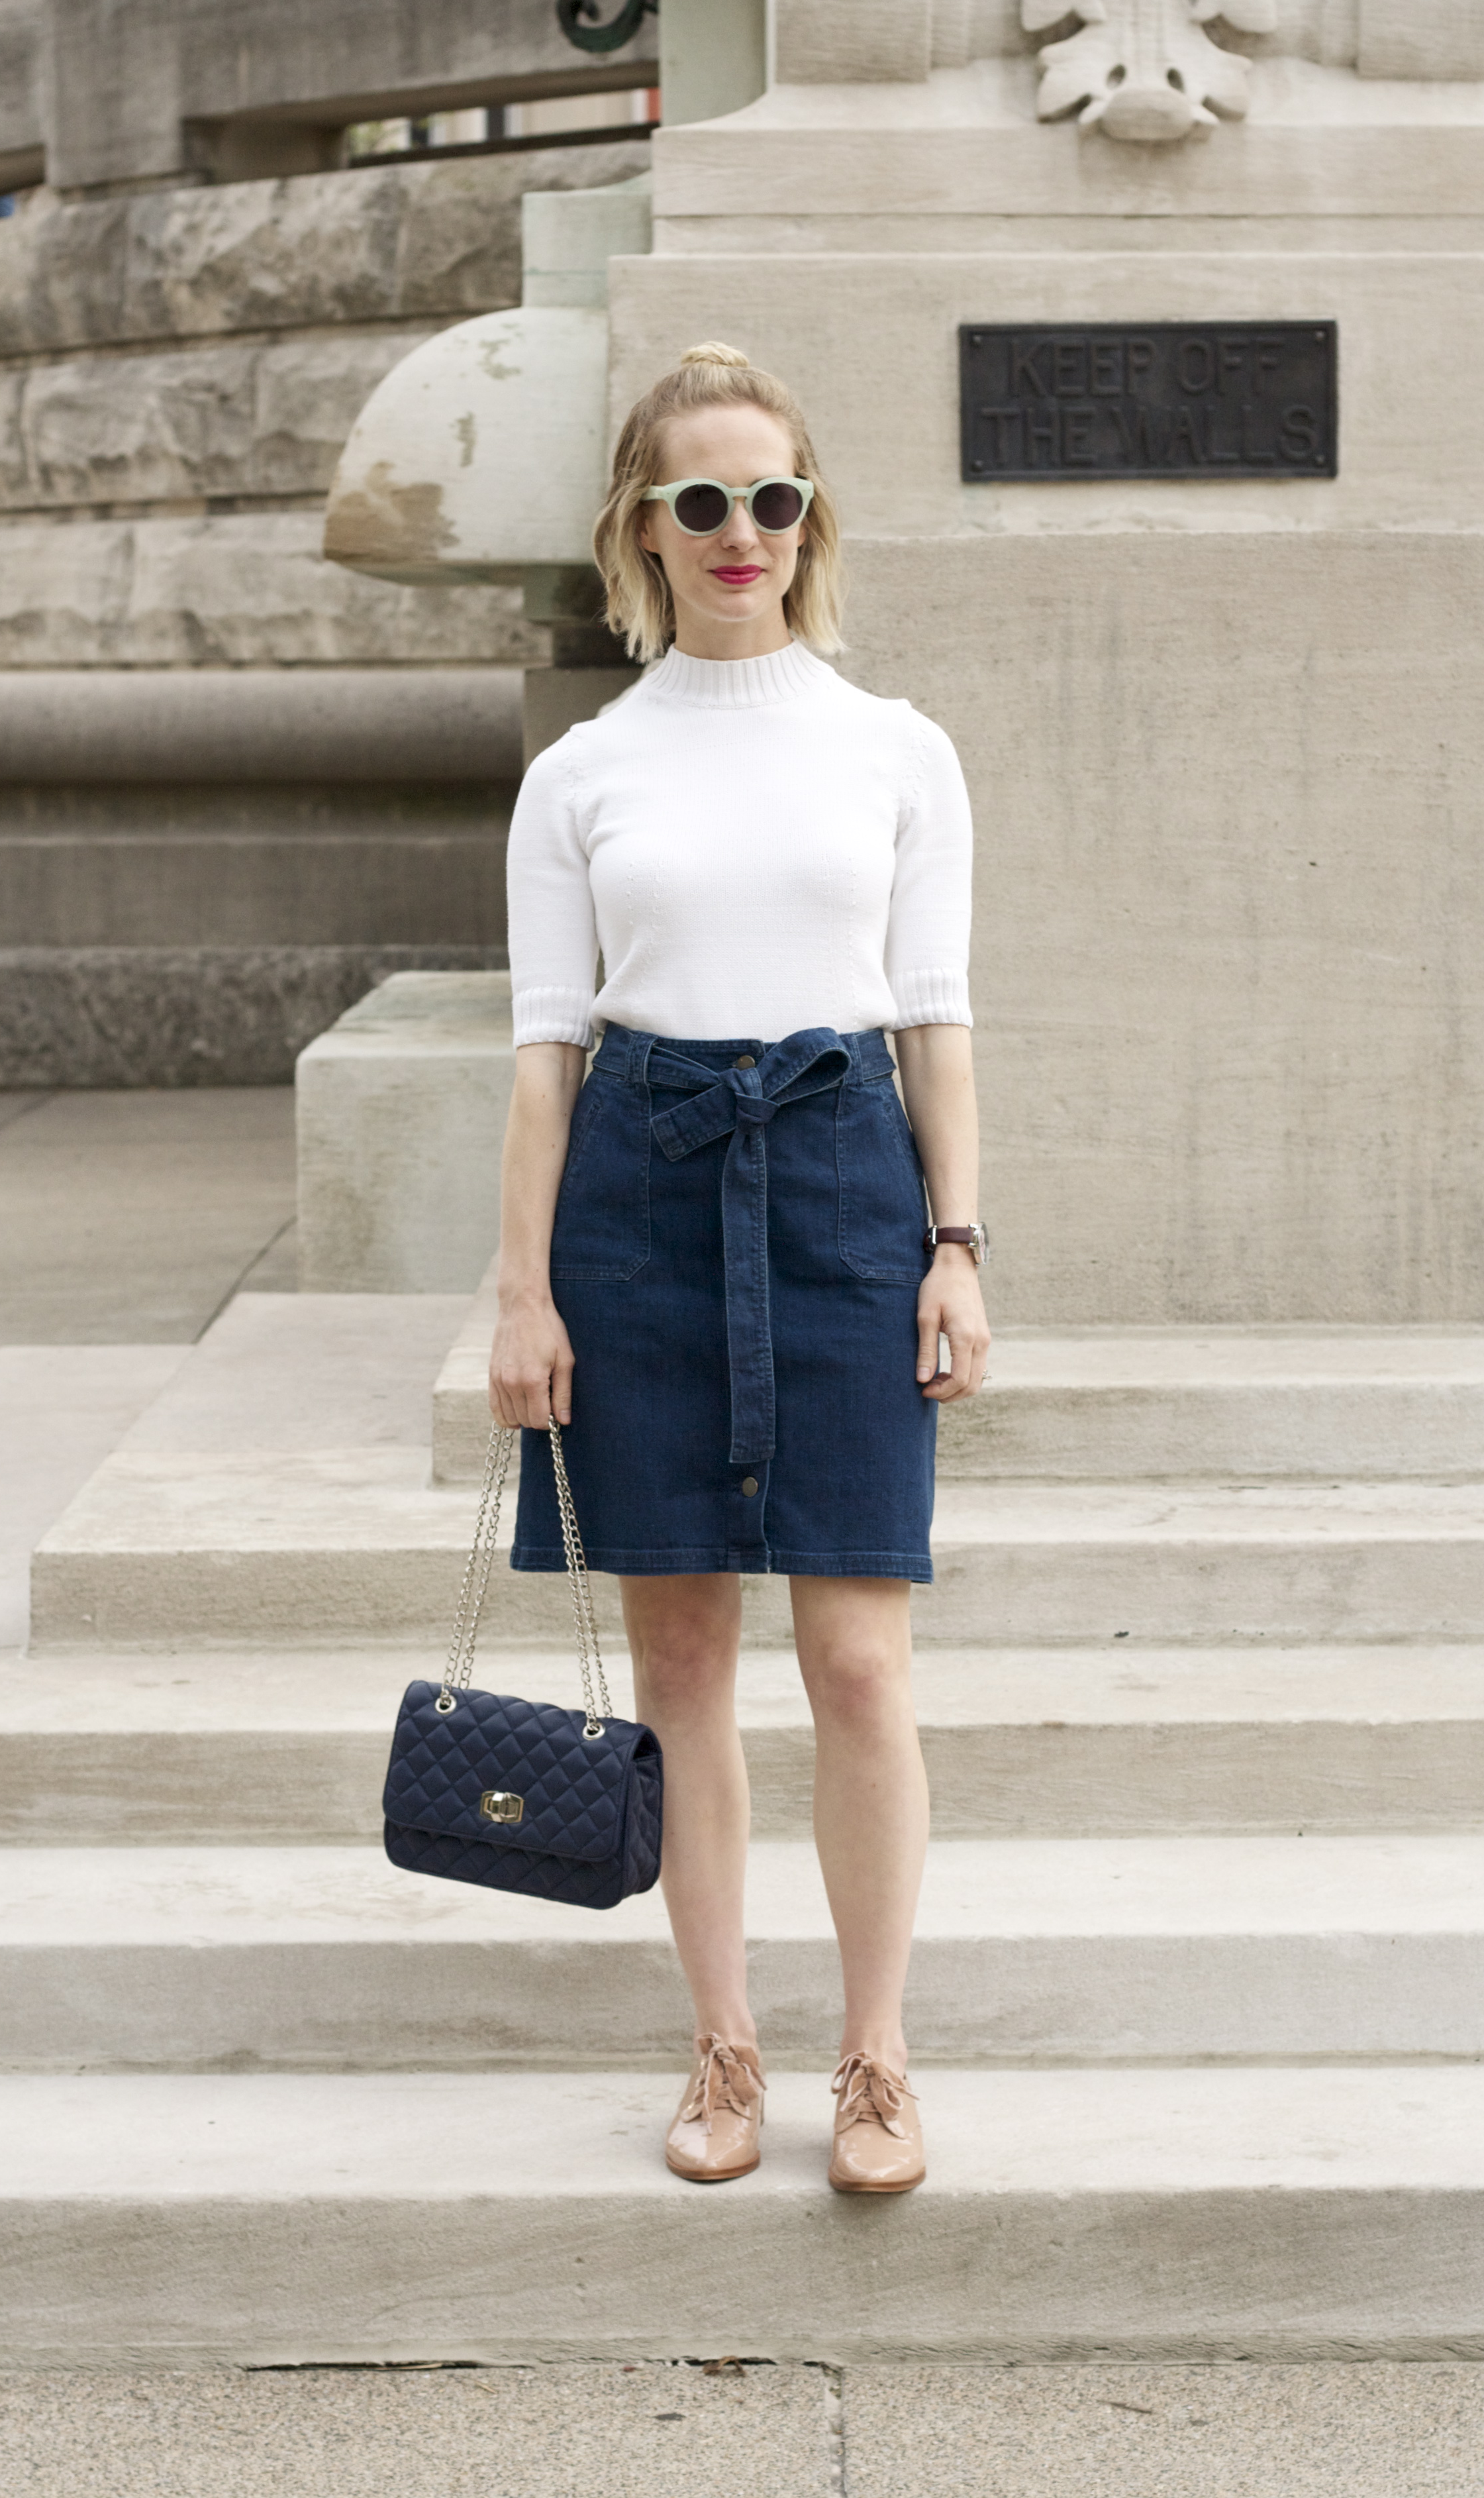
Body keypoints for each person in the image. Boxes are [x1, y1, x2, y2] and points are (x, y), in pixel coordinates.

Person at [489, 341, 988, 2195]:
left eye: (770, 496)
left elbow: (934, 1020)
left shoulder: (894, 744)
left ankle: (874, 2054)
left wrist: (955, 1245)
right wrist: (521, 1286)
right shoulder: (583, 774)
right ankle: (720, 2044)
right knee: (679, 1654)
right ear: (640, 525)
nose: (739, 531)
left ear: (807, 517)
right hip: (636, 1193)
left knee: (858, 1658)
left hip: (845, 1185)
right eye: (698, 499)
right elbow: (548, 1046)